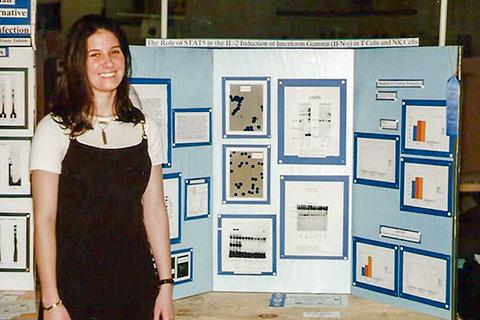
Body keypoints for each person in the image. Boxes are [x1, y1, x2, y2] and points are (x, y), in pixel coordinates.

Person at [30, 14, 174, 320]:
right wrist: (52, 303)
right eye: (94, 55)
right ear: (77, 64)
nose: (107, 63)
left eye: (115, 51)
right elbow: (44, 220)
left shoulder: (146, 129)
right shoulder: (54, 130)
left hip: (136, 289)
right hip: (73, 292)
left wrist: (165, 284)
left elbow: (155, 209)